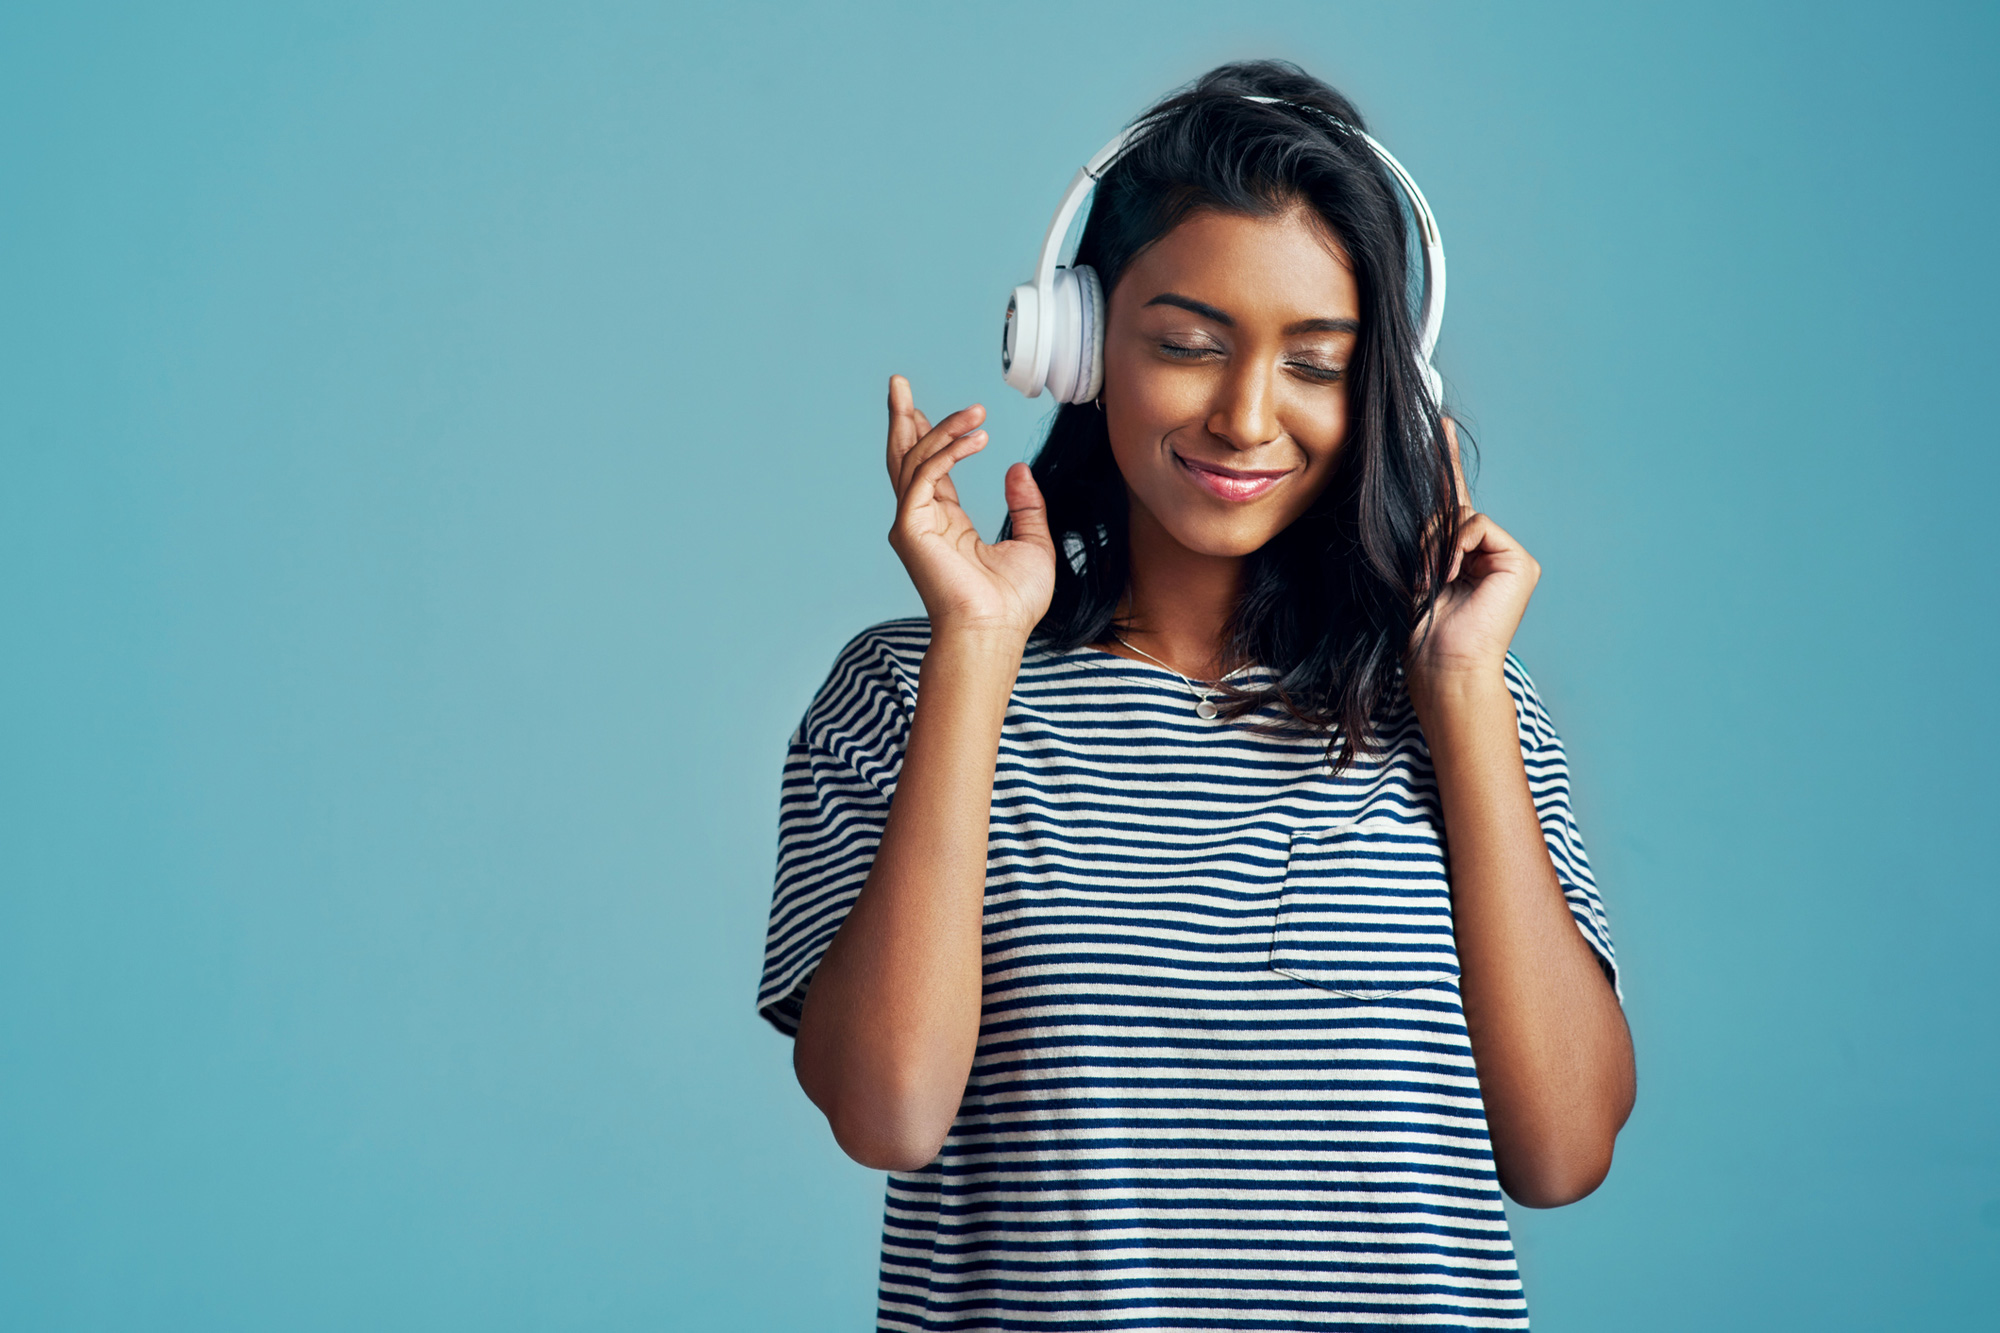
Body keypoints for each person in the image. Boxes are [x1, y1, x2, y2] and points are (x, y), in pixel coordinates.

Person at [759, 59, 1635, 1331]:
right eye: (1186, 345)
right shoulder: (906, 688)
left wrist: (1456, 686)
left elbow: (1560, 1153)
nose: (1244, 416)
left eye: (1314, 364)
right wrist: (976, 653)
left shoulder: (1465, 698)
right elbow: (884, 1114)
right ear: (1073, 345)